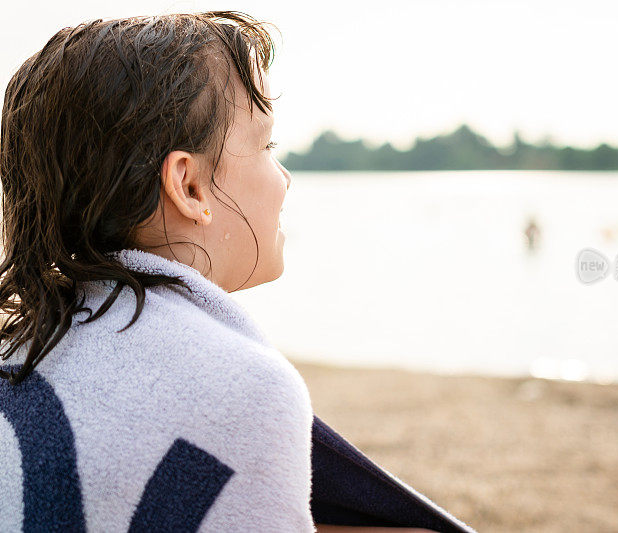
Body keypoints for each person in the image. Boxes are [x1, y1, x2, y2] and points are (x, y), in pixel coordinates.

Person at [0, 11, 472, 533]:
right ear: (190, 186)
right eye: (267, 146)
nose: (285, 178)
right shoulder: (244, 392)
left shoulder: (18, 357)